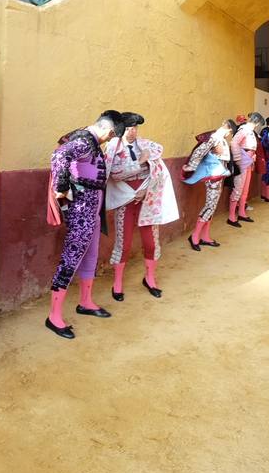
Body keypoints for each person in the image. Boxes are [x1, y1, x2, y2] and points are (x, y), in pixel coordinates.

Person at [45, 110, 124, 338]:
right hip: (81, 211)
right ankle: (54, 315)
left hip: (91, 211)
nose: (109, 139)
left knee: (90, 254)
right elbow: (60, 157)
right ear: (109, 131)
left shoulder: (90, 142)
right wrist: (60, 187)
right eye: (111, 136)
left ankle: (86, 301)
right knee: (71, 257)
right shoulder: (84, 141)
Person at [104, 112, 177, 301]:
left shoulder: (146, 145)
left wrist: (146, 189)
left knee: (151, 243)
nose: (132, 132)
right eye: (128, 128)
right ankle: (118, 283)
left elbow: (159, 172)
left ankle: (150, 278)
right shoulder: (113, 147)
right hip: (125, 201)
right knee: (124, 244)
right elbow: (116, 174)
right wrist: (141, 162)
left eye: (135, 128)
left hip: (146, 199)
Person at [182, 121, 233, 251]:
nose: (229, 134)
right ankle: (195, 236)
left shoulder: (219, 139)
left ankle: (204, 236)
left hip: (218, 177)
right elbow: (200, 151)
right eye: (230, 131)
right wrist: (191, 167)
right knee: (210, 206)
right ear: (227, 129)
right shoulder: (214, 138)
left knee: (212, 206)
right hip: (212, 178)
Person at [227, 113, 261, 226]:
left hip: (248, 161)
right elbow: (234, 143)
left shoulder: (249, 130)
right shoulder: (244, 129)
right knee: (238, 188)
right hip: (242, 161)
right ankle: (231, 217)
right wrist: (238, 159)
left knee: (245, 189)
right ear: (256, 123)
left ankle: (241, 212)